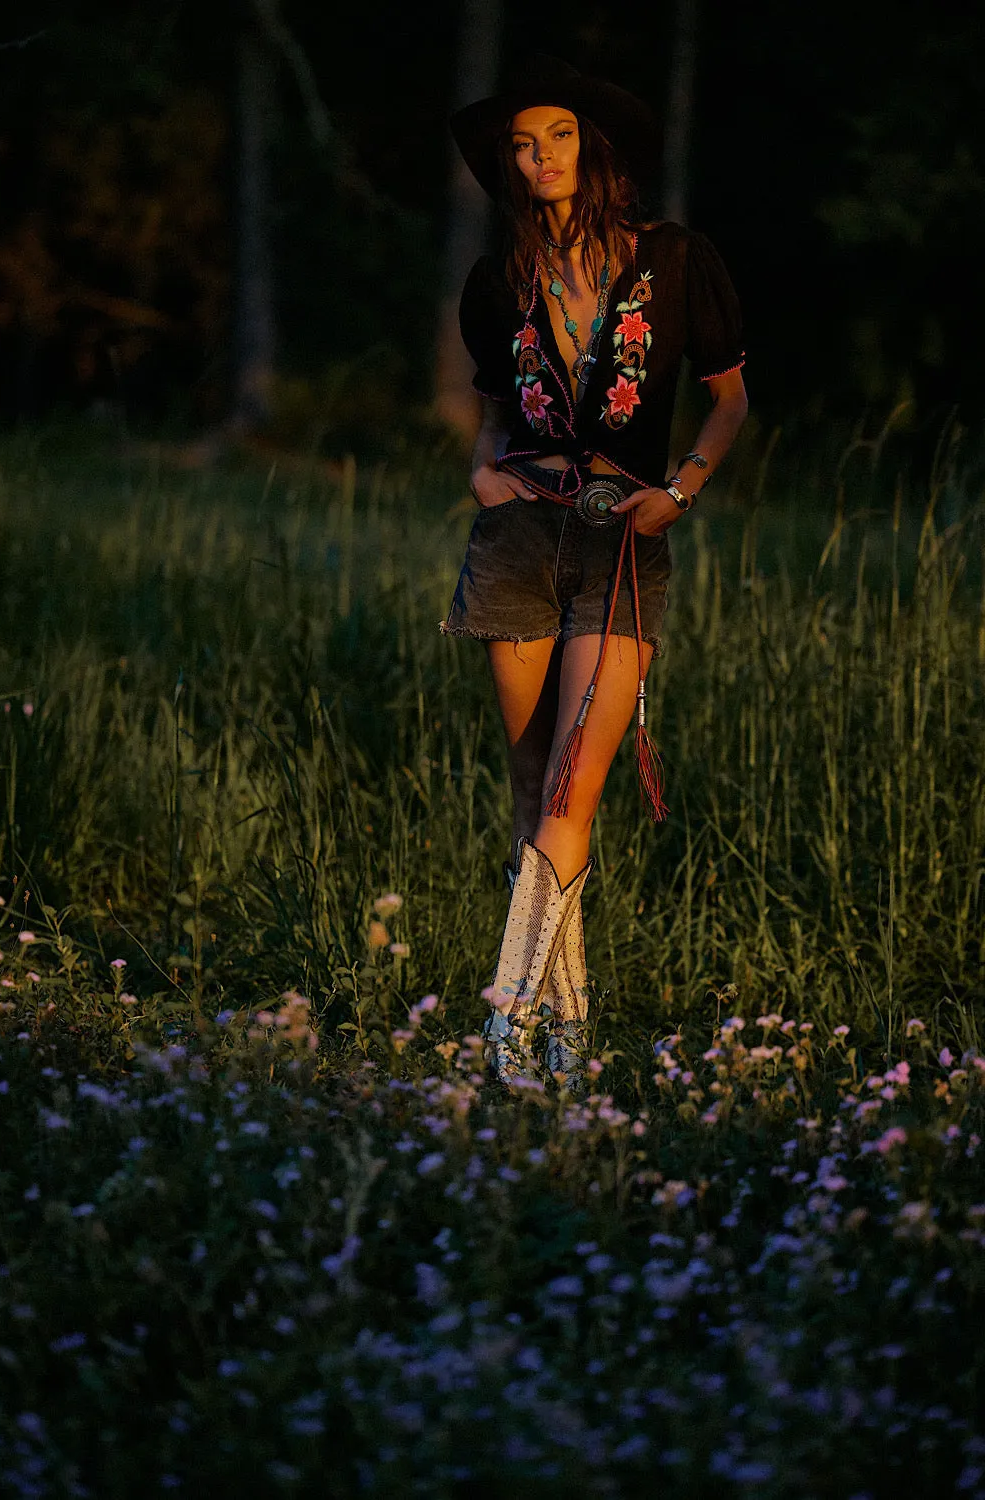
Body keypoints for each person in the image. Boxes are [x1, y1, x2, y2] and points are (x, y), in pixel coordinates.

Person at [443, 56, 748, 1091]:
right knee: (533, 793)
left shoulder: (674, 259)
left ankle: (503, 1034)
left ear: (593, 147)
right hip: (519, 537)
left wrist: (686, 485)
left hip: (622, 532)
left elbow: (730, 398)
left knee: (573, 789)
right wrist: (482, 475)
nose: (540, 157)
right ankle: (566, 1047)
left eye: (558, 136)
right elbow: (492, 408)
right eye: (522, 145)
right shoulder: (498, 280)